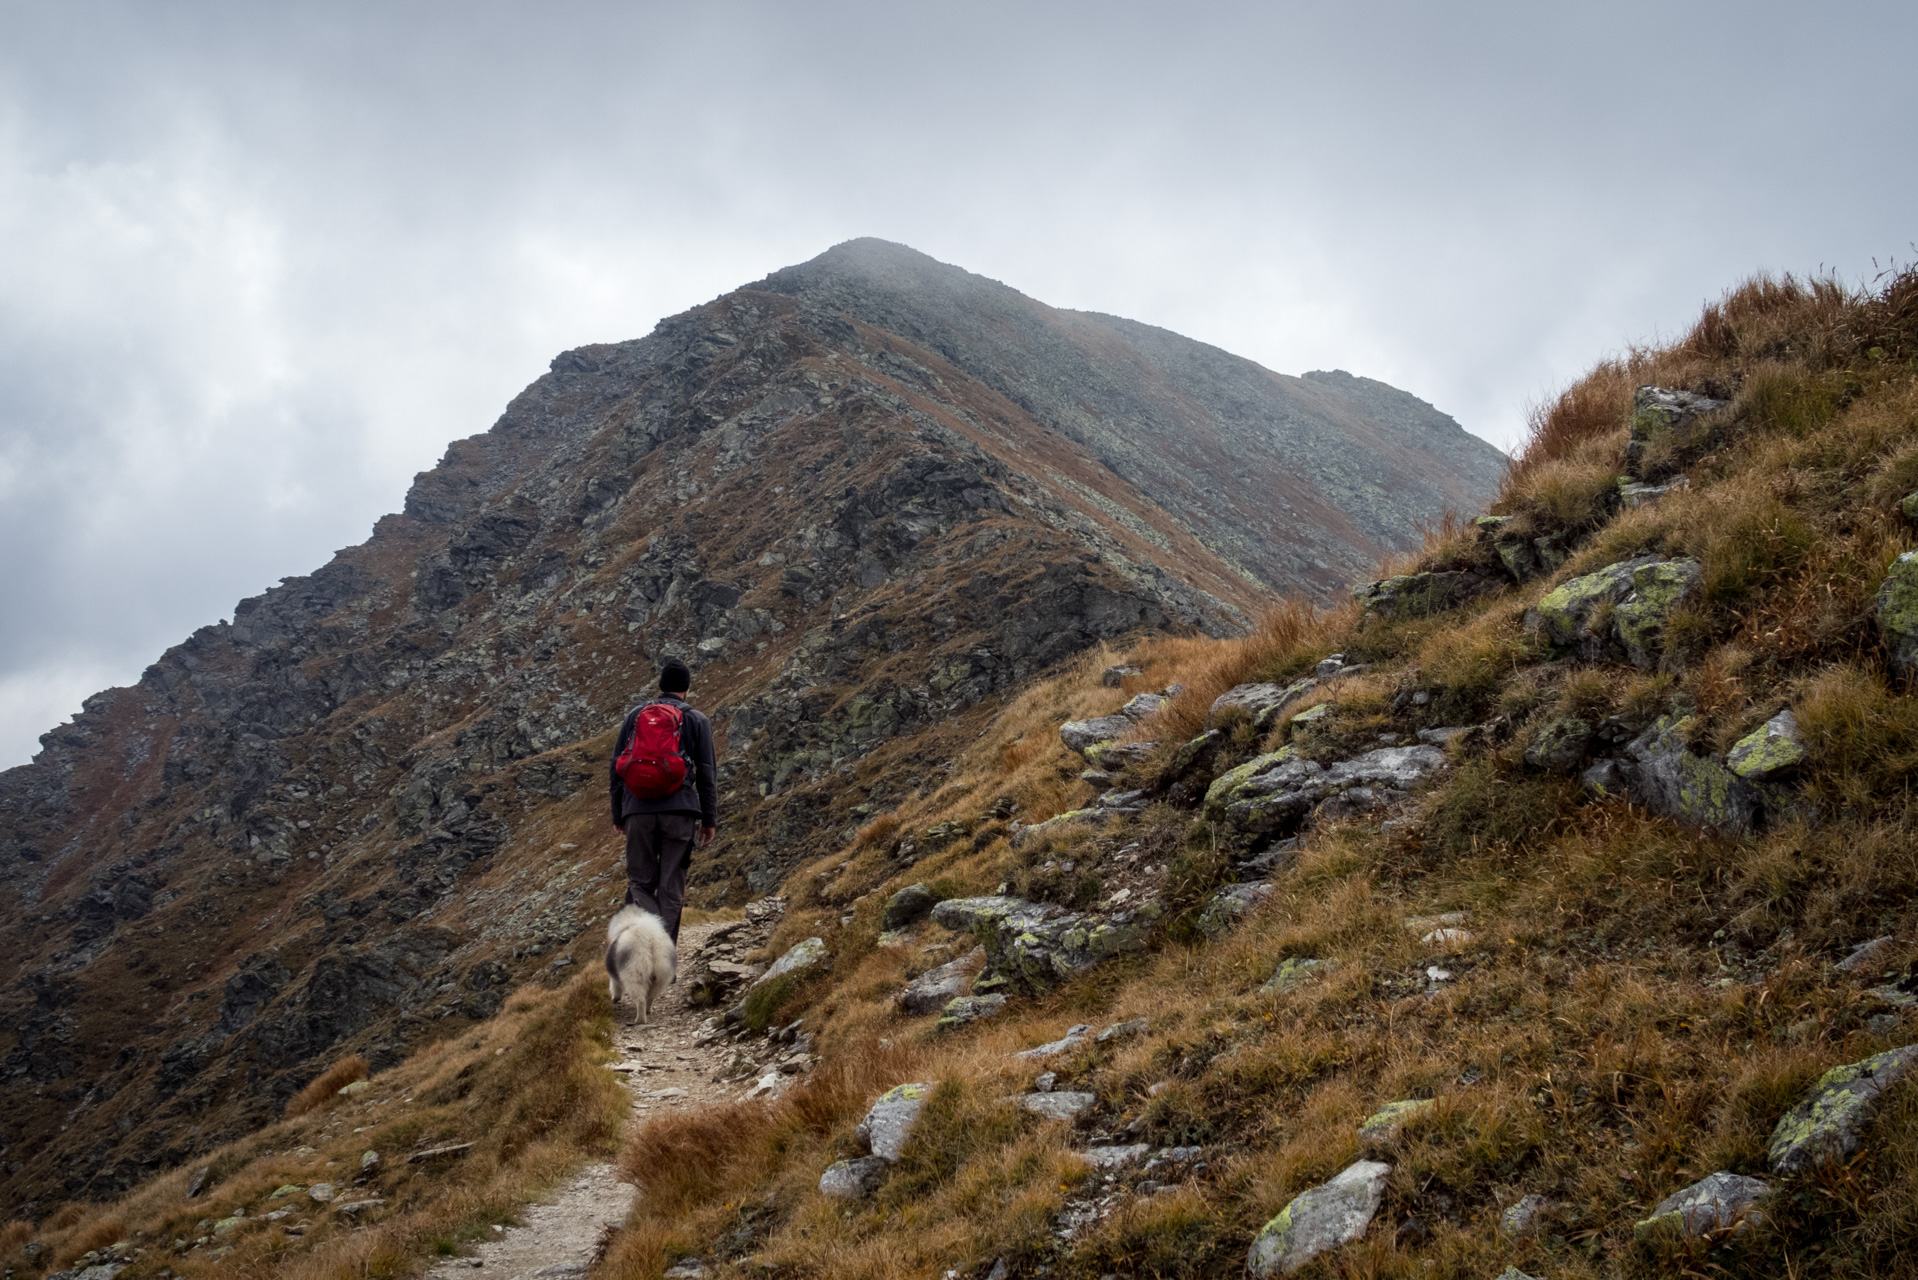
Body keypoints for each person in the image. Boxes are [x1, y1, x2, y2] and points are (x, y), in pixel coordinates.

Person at [607, 657, 717, 944]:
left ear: (661, 686)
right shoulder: (697, 719)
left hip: (637, 812)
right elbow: (707, 774)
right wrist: (709, 820)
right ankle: (662, 955)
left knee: (640, 883)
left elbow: (616, 766)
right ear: (687, 688)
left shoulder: (635, 716)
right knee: (671, 887)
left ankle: (646, 947)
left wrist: (619, 814)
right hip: (680, 813)